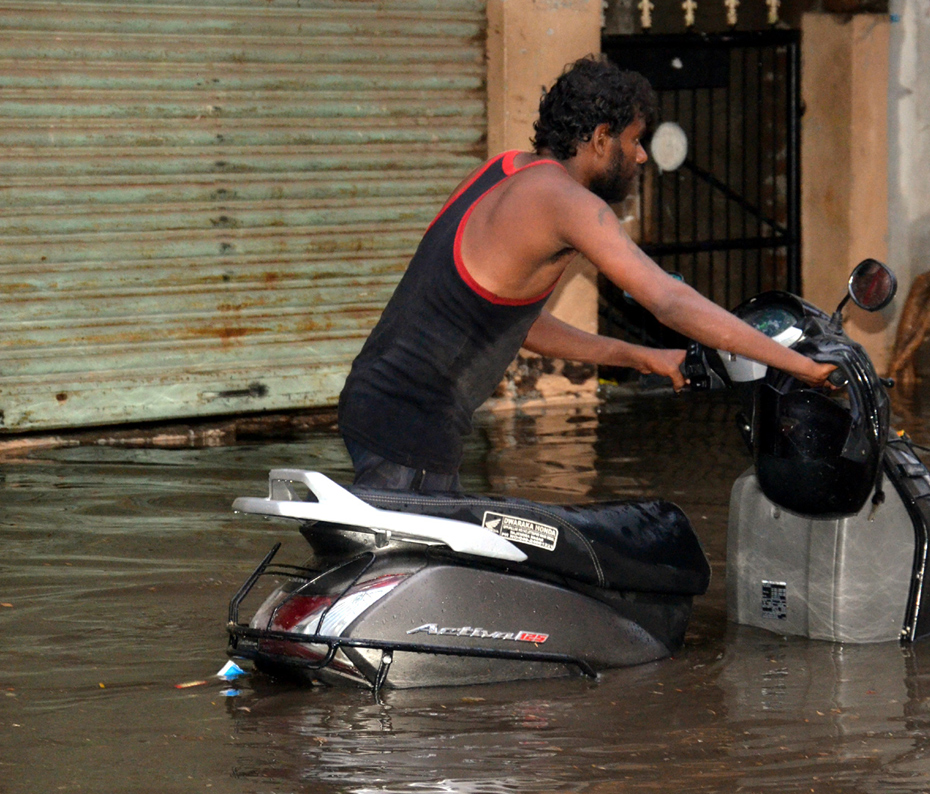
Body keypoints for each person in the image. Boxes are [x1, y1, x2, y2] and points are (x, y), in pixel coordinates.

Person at [338, 56, 836, 492]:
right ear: (600, 140)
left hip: (376, 404)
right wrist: (800, 366)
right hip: (410, 424)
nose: (642, 156)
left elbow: (516, 322)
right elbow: (666, 299)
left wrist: (636, 355)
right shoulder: (567, 203)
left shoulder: (504, 170)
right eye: (635, 141)